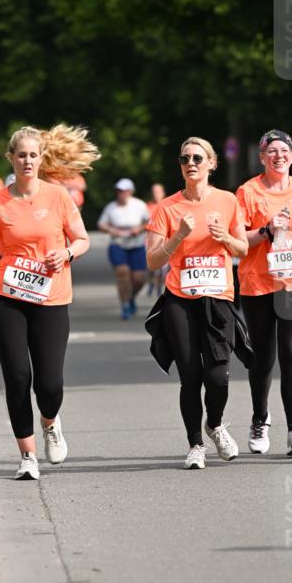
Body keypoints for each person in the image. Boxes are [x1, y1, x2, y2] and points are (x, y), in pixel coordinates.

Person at [0, 124, 99, 480]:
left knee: (49, 383)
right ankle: (27, 456)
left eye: (33, 154)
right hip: (7, 298)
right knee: (16, 376)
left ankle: (50, 422)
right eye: (21, 155)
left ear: (41, 158)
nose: (27, 161)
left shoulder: (58, 196)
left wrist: (67, 253)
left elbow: (83, 239)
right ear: (10, 159)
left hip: (51, 298)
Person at [146, 136, 249, 469]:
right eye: (184, 158)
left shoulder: (228, 201)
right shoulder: (167, 208)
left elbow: (243, 249)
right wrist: (177, 236)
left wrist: (225, 238)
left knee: (218, 376)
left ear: (211, 163)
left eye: (197, 158)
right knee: (190, 376)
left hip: (218, 297)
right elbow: (151, 260)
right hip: (180, 298)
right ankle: (195, 445)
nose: (190, 163)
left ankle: (215, 424)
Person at [236, 129, 292, 457]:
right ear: (262, 157)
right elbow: (237, 242)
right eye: (271, 151)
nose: (279, 155)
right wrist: (266, 230)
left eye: (284, 150)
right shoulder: (248, 191)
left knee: (291, 350)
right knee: (263, 356)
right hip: (258, 281)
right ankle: (260, 418)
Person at [98, 179, 150, 319]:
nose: (121, 193)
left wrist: (138, 229)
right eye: (119, 191)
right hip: (118, 244)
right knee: (123, 272)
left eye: (124, 191)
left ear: (130, 192)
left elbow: (150, 222)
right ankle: (125, 304)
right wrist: (112, 230)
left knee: (139, 278)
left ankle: (130, 296)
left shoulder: (139, 205)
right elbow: (101, 224)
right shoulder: (111, 207)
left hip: (137, 245)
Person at [146, 183, 168, 296]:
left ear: (163, 193)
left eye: (158, 191)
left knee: (163, 269)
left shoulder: (168, 205)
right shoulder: (147, 206)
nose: (156, 194)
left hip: (165, 241)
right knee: (151, 266)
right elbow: (144, 223)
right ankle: (151, 282)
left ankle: (159, 287)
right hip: (150, 241)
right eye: (154, 191)